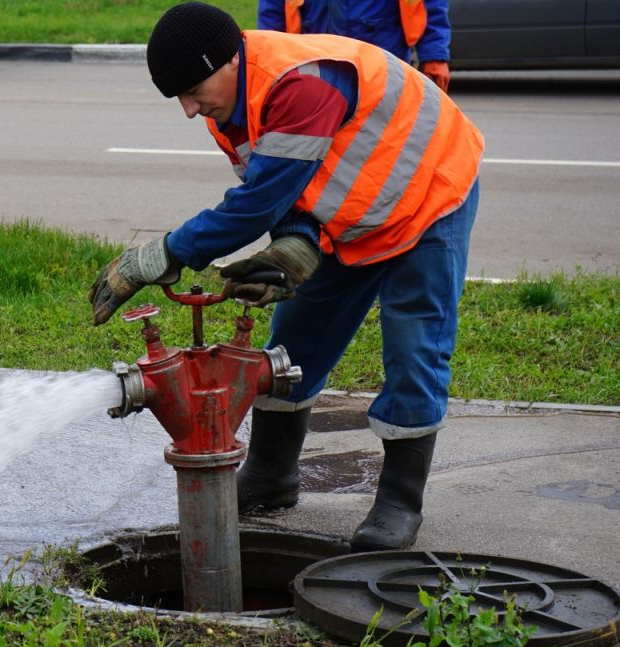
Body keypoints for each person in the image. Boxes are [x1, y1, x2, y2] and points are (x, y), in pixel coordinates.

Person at [88, 1, 483, 551]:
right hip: (351, 215)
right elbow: (282, 186)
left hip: (428, 196)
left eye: (192, 90)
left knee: (414, 346)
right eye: (177, 97)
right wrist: (297, 241)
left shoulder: (300, 84)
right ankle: (273, 475)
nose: (186, 109)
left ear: (228, 61)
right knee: (294, 341)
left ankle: (398, 502)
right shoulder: (228, 102)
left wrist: (165, 253)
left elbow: (253, 204)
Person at [258, 0, 452, 92]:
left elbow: (431, 5)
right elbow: (272, 12)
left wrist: (434, 56)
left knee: (386, 146)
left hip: (385, 65)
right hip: (316, 64)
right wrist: (271, 65)